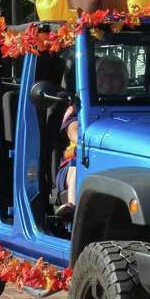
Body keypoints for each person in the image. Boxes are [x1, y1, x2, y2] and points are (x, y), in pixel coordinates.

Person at [54, 56, 127, 218]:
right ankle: (72, 205)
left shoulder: (134, 106)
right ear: (93, 77)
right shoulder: (78, 109)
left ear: (123, 80)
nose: (108, 79)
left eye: (115, 75)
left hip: (117, 166)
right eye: (103, 73)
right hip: (80, 160)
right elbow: (76, 135)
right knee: (76, 165)